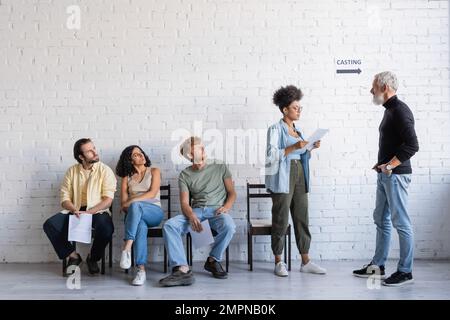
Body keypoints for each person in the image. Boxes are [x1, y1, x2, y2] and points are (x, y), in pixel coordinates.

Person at [353, 71, 419, 286]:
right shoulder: (389, 109)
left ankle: (405, 271)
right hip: (385, 174)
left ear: (385, 87)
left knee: (401, 223)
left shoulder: (400, 111)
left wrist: (390, 165)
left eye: (374, 87)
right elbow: (393, 143)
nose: (371, 91)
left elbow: (412, 145)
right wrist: (381, 164)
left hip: (396, 176)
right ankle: (378, 266)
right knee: (381, 219)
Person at [266, 85, 326, 277]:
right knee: (281, 218)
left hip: (300, 172)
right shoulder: (275, 129)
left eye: (300, 108)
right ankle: (278, 261)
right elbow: (271, 154)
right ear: (285, 109)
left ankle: (305, 261)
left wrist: (309, 148)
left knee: (301, 216)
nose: (299, 110)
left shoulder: (298, 130)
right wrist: (293, 147)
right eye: (295, 107)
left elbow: (300, 153)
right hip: (283, 175)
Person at [159, 136, 236, 287]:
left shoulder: (220, 166)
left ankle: (213, 260)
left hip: (216, 211)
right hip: (196, 211)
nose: (202, 152)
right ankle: (182, 269)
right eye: (196, 150)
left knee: (229, 226)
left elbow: (232, 193)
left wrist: (226, 207)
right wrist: (191, 215)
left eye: (202, 148)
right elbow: (184, 203)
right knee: (169, 225)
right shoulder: (185, 175)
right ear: (189, 156)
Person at [43, 138, 116, 275]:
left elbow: (108, 200)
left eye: (93, 148)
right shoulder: (71, 171)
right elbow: (64, 198)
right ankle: (74, 256)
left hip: (97, 211)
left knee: (107, 228)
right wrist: (73, 209)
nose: (94, 152)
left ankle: (93, 259)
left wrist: (89, 212)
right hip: (75, 210)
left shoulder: (105, 170)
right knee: (50, 225)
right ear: (81, 157)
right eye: (89, 151)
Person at [116, 145, 164, 286]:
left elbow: (152, 193)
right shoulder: (126, 178)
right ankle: (141, 270)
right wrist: (130, 204)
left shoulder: (154, 171)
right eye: (136, 154)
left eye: (141, 152)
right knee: (140, 227)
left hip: (154, 212)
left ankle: (127, 247)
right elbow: (123, 205)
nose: (141, 155)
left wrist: (132, 200)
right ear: (130, 160)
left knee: (136, 206)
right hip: (135, 216)